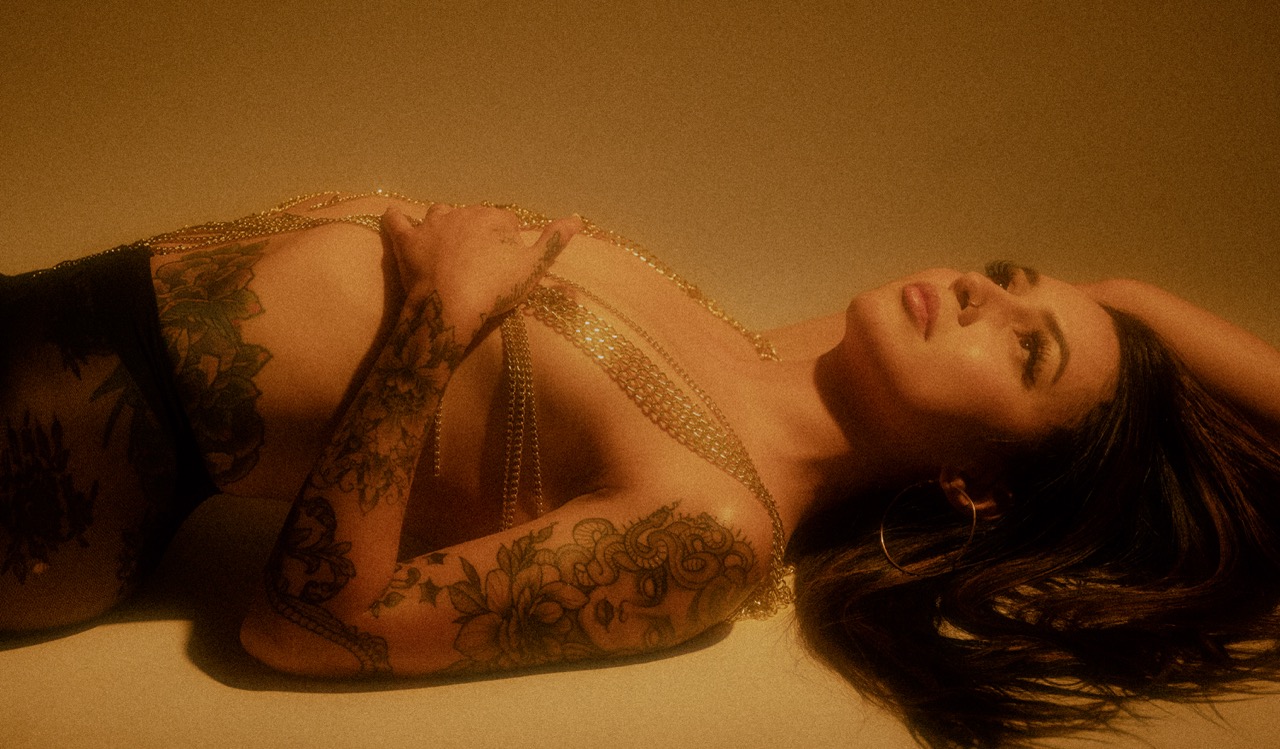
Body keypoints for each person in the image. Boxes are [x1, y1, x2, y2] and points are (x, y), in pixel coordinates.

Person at [2, 191, 1278, 747]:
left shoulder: (716, 523)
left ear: (975, 487)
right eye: (1005, 278)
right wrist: (1112, 306)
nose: (979, 296)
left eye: (1025, 346)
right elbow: (1124, 301)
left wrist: (438, 314)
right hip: (64, 309)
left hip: (64, 459)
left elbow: (314, 626)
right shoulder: (771, 360)